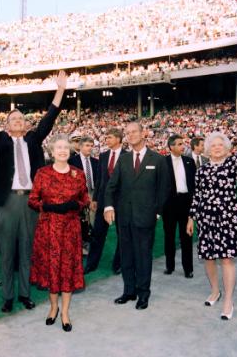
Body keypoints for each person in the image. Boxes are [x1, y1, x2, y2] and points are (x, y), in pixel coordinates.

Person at [0, 68, 67, 312]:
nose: (18, 122)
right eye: (13, 120)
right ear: (8, 125)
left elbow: (49, 119)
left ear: (25, 124)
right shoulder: (0, 140)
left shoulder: (33, 140)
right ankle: (8, 297)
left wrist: (61, 90)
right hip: (8, 202)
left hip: (31, 202)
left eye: (21, 119)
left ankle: (24, 293)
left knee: (27, 249)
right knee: (8, 251)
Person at [186, 110, 237, 320]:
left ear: (226, 149)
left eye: (220, 145)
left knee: (226, 259)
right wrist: (191, 217)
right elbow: (197, 195)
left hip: (227, 218)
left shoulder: (232, 165)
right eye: (212, 145)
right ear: (207, 150)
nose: (216, 148)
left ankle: (228, 300)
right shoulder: (201, 171)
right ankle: (215, 291)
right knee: (208, 258)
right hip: (206, 219)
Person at [104, 122, 170, 310]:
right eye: (128, 133)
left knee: (143, 257)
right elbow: (111, 186)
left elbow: (164, 189)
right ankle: (129, 291)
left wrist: (157, 212)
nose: (131, 135)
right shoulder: (123, 160)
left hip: (146, 217)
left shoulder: (157, 159)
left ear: (144, 133)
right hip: (124, 218)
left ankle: (143, 293)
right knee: (126, 256)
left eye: (134, 132)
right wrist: (108, 206)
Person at [28, 135, 89, 332]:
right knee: (52, 268)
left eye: (65, 147)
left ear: (70, 151)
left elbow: (85, 198)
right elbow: (32, 199)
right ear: (52, 152)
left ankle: (65, 312)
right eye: (58, 147)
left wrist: (76, 204)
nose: (62, 150)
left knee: (67, 269)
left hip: (70, 229)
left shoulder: (78, 174)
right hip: (48, 229)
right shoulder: (42, 173)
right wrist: (46, 206)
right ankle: (53, 308)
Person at [85, 128, 125, 274]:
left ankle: (118, 264)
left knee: (123, 235)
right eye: (106, 137)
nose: (106, 140)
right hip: (102, 201)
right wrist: (95, 199)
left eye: (109, 137)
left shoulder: (128, 156)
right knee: (97, 233)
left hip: (121, 202)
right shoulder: (103, 156)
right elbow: (99, 179)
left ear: (119, 139)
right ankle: (91, 264)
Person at [162, 135, 196, 278]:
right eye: (180, 144)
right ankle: (170, 266)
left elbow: (195, 185)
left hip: (186, 203)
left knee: (186, 237)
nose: (183, 146)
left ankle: (188, 269)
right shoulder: (162, 162)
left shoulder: (189, 161)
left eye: (183, 143)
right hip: (169, 205)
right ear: (171, 147)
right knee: (169, 236)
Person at [68, 136, 99, 249]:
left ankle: (93, 242)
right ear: (80, 146)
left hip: (93, 193)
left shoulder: (96, 162)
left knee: (93, 218)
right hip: (78, 195)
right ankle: (81, 242)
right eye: (87, 145)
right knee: (80, 220)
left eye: (91, 146)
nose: (90, 148)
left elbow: (99, 180)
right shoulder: (72, 161)